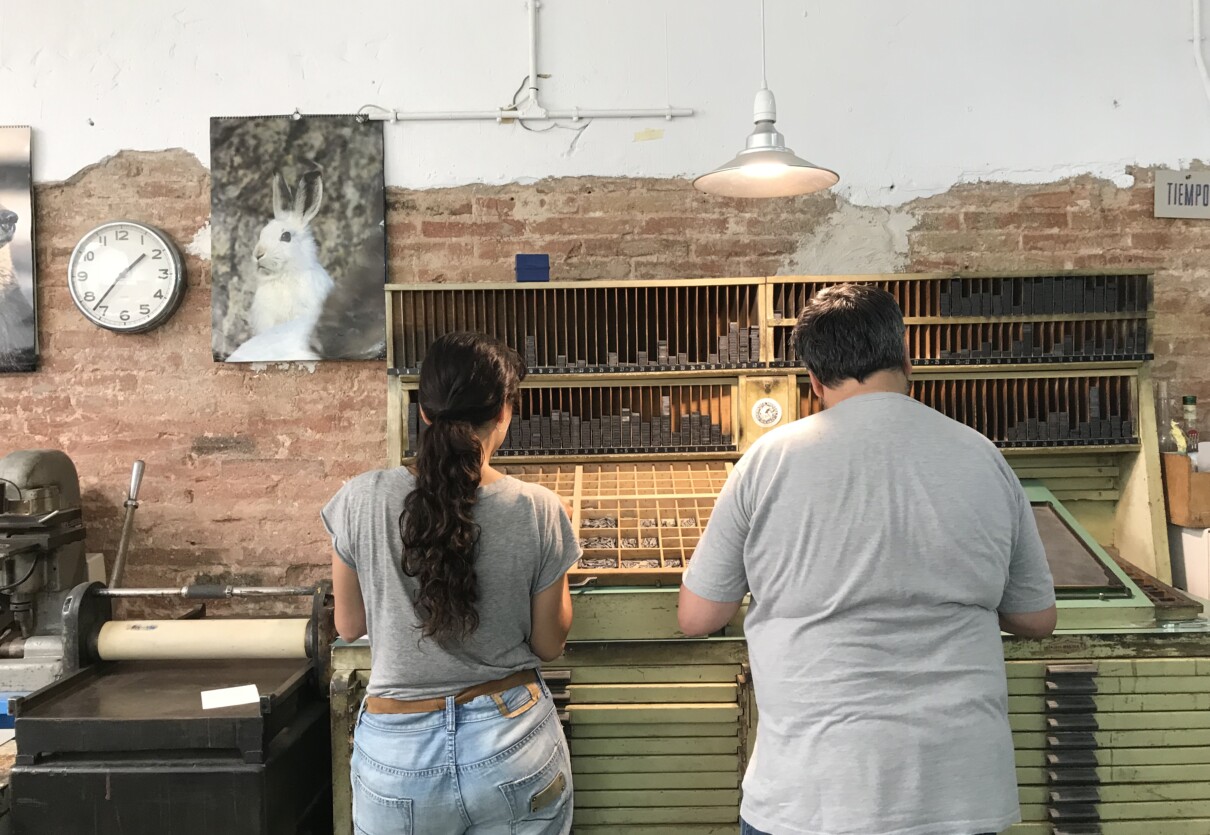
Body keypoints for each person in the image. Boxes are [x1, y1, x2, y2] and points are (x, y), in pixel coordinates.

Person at [678, 284, 1057, 835]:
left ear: (813, 380)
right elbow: (1036, 618)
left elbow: (698, 616)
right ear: (906, 359)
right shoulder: (982, 456)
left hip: (812, 797)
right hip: (960, 793)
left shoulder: (767, 462)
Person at [324, 332, 580, 835]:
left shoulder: (359, 498)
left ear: (424, 411)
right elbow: (549, 644)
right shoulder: (539, 508)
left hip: (396, 756)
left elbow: (349, 626)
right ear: (504, 412)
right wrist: (556, 549)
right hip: (511, 743)